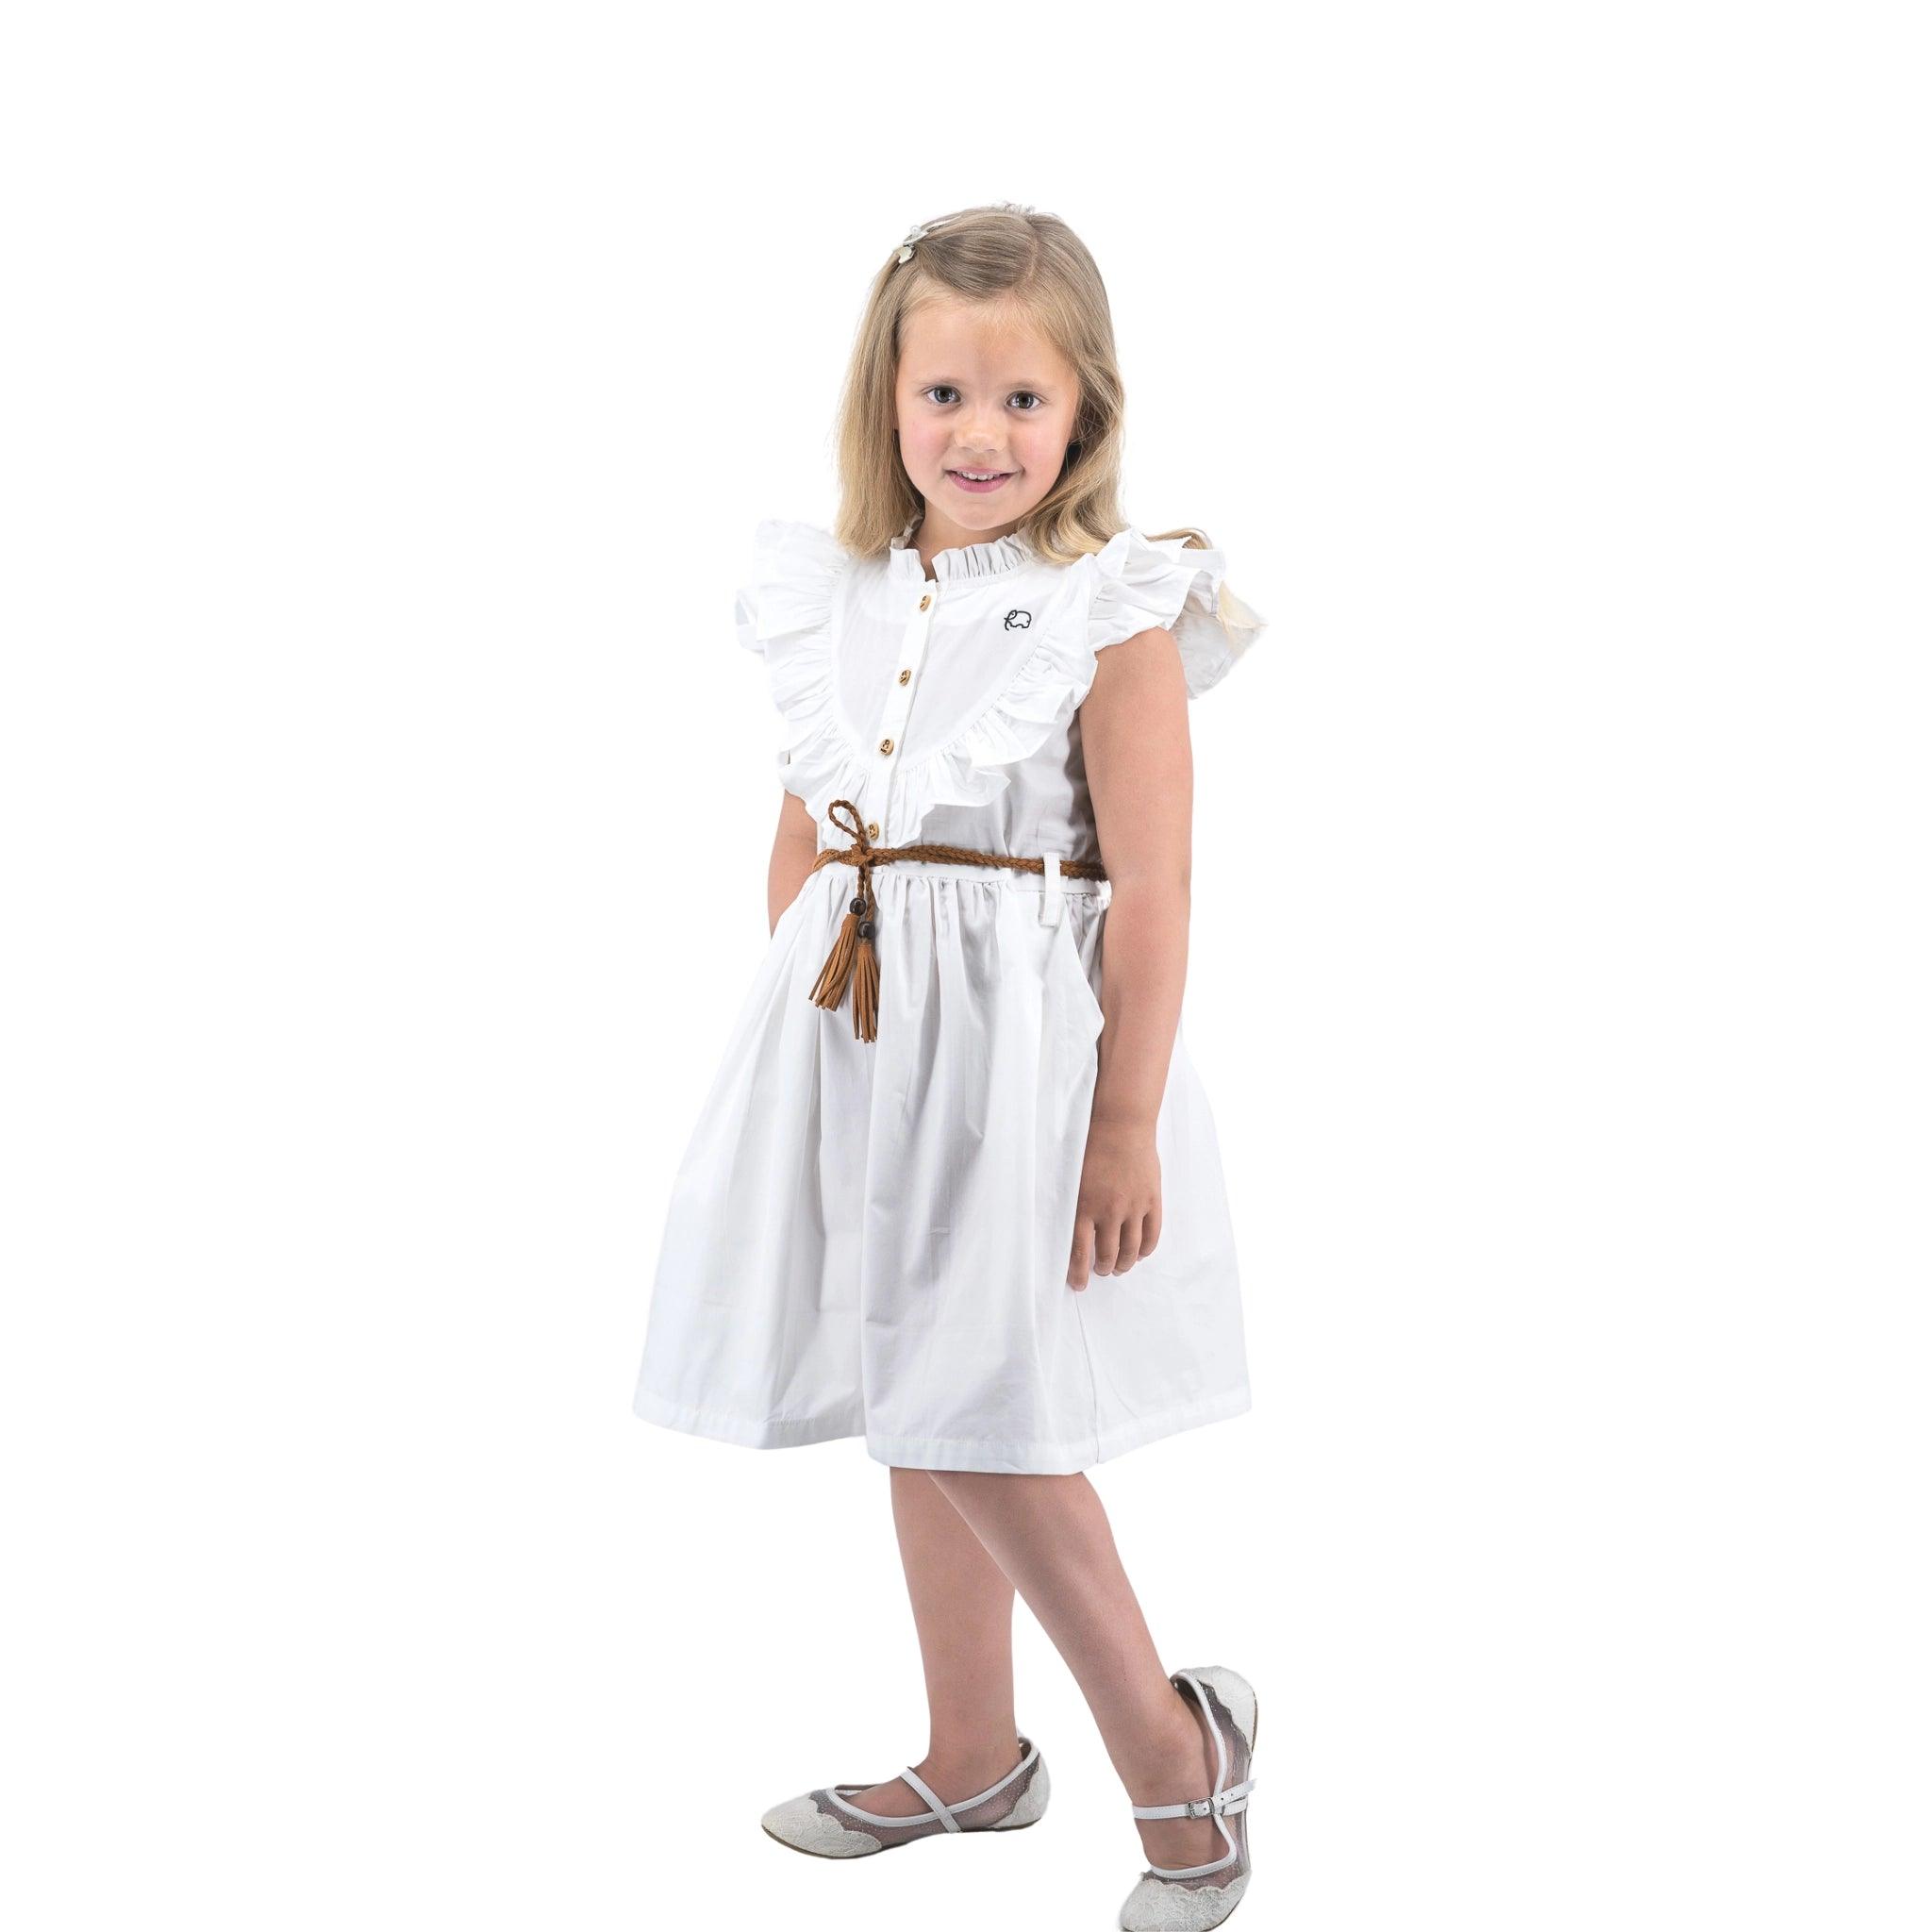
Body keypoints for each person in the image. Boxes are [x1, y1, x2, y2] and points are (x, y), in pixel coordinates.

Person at [632, 201, 1268, 1930]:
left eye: (1023, 403)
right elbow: (811, 835)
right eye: (944, 396)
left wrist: (1123, 1119)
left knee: (985, 1412)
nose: (980, 437)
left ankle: (1173, 1761)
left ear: (1086, 417)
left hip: (1024, 1075)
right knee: (914, 1408)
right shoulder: (834, 596)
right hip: (858, 1056)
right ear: (886, 399)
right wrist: (809, 1045)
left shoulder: (1111, 610)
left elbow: (1155, 884)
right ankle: (974, 1754)